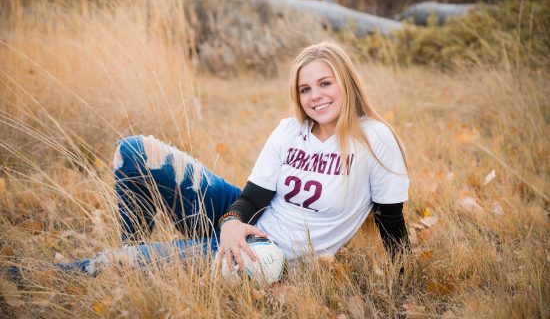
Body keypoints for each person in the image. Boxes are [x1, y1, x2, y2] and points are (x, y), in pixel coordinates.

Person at [21, 41, 411, 276]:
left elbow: (392, 222)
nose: (316, 96)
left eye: (325, 83)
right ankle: (136, 248)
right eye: (305, 88)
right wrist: (231, 222)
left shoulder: (375, 140)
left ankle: (54, 273)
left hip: (269, 254)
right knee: (135, 152)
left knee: (123, 265)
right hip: (250, 223)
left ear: (346, 82)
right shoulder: (290, 129)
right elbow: (253, 198)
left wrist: (402, 280)